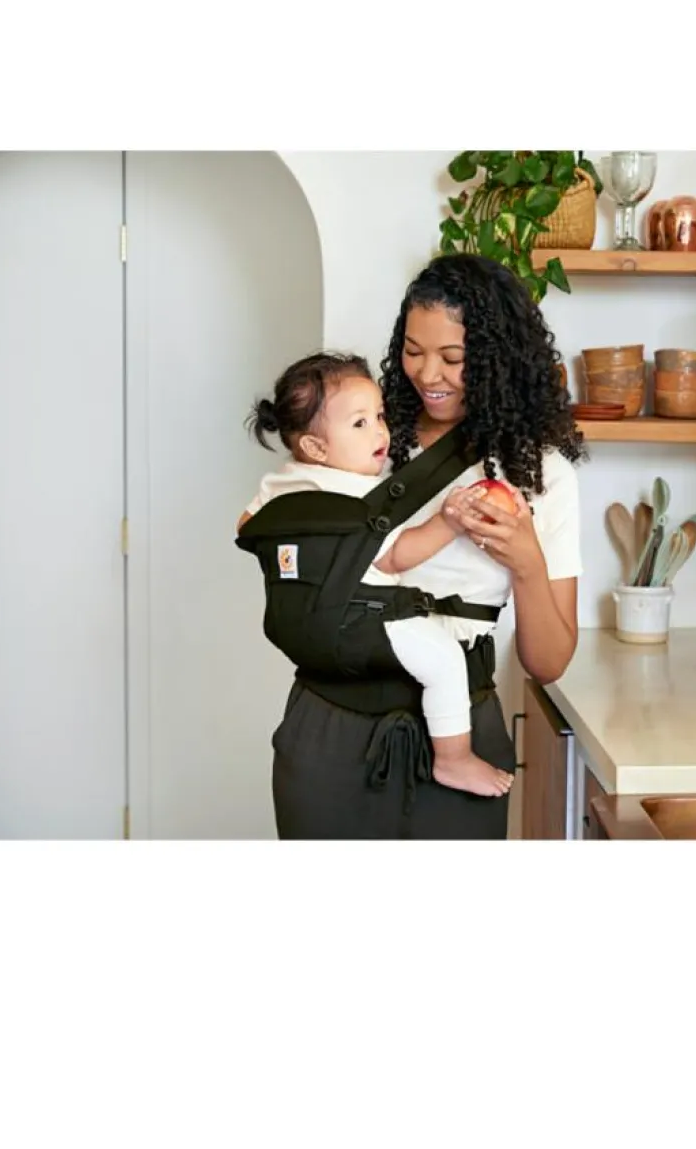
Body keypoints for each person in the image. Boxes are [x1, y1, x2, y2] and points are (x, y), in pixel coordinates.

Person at [246, 254, 585, 841]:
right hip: (332, 724)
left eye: (453, 358)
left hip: (460, 726)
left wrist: (527, 561)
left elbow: (549, 662)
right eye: (412, 350)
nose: (428, 374)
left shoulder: (539, 473)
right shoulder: (362, 436)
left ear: (498, 357)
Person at [237, 351, 513, 798]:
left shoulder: (280, 483)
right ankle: (454, 759)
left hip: (306, 627)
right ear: (316, 448)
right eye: (360, 423)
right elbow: (395, 557)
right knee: (446, 661)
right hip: (366, 619)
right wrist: (449, 522)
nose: (380, 431)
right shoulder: (358, 494)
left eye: (380, 416)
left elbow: (247, 526)